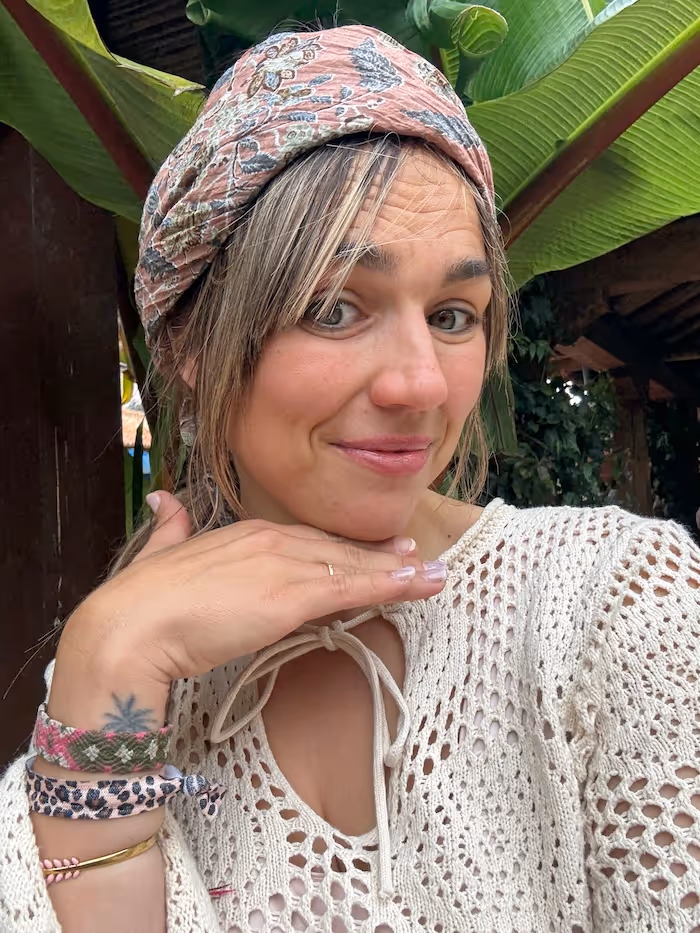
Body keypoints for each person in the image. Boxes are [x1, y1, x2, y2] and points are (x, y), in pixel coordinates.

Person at [1, 23, 698, 933]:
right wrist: (101, 657)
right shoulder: (130, 685)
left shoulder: (612, 604)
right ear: (189, 347)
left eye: (454, 313)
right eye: (336, 307)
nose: (418, 382)